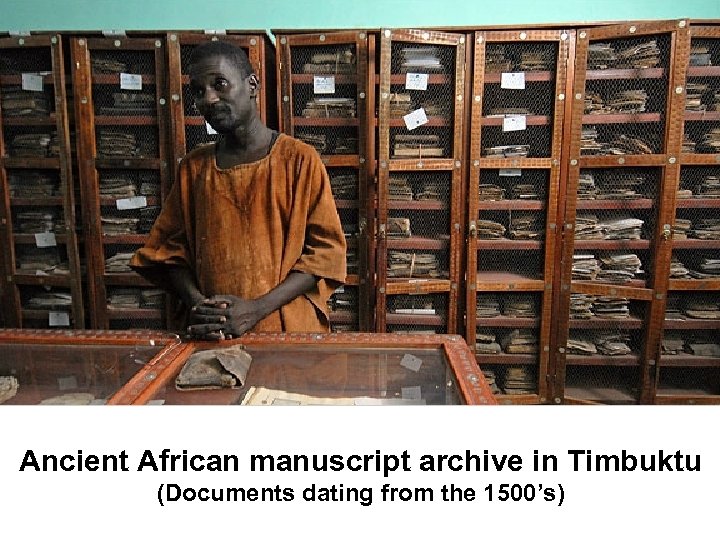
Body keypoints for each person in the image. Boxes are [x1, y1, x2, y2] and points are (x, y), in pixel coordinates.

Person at [130, 41, 346, 339]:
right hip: (214, 332)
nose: (209, 98)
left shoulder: (299, 160)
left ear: (253, 85)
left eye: (219, 83)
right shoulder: (194, 168)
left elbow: (325, 253)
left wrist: (258, 308)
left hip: (287, 331)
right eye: (198, 90)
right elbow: (168, 251)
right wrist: (202, 307)